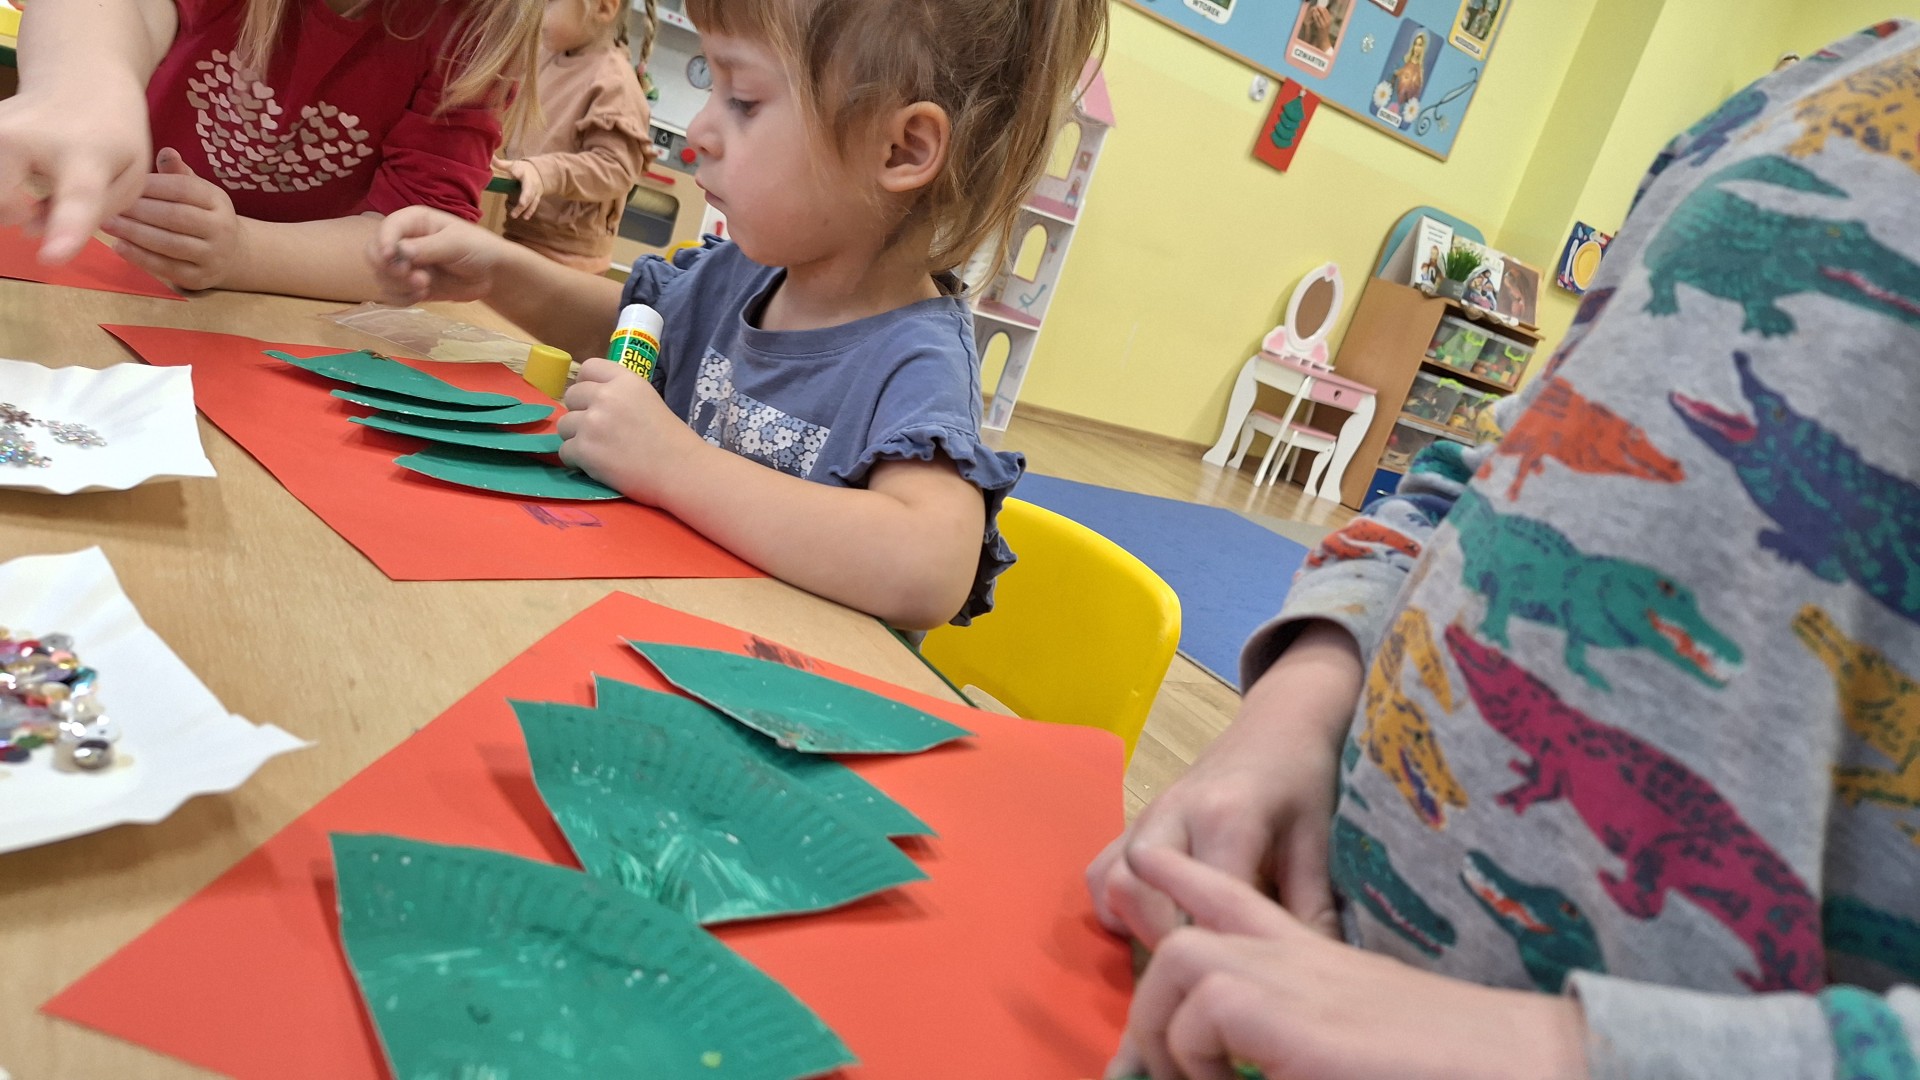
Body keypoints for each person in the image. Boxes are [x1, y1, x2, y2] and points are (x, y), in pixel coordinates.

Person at [1090, 20, 1920, 1079]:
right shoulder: (1789, 98)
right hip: (1294, 983)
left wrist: (1569, 1052)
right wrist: (1298, 704)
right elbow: (1482, 471)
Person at [368, 0, 1109, 630]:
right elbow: (627, 328)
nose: (698, 132)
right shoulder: (740, 274)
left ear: (901, 149)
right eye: (710, 86)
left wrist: (672, 465)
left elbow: (927, 568)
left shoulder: (913, 360)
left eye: (744, 101)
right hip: (651, 626)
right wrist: (496, 272)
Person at [0, 0, 537, 299]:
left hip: (280, 311)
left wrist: (241, 252)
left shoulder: (476, 27)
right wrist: (83, 82)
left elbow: (420, 239)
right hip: (109, 264)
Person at [493, 0, 655, 273]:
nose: (534, 8)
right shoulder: (547, 55)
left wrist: (545, 172)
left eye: (548, 2)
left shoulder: (613, 82)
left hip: (568, 257)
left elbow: (615, 168)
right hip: (522, 234)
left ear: (603, 8)